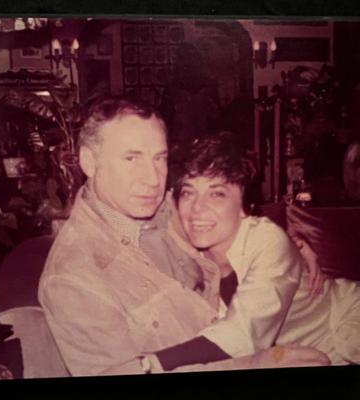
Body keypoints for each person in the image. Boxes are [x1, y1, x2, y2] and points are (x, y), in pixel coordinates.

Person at [38, 96, 330, 376]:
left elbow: (223, 213)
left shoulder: (161, 207)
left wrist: (293, 241)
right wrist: (253, 365)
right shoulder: (73, 279)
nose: (153, 179)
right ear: (89, 162)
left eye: (159, 158)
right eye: (131, 159)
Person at [148, 131, 360, 372]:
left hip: (346, 328)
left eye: (217, 194)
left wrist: (150, 363)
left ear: (244, 206)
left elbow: (240, 335)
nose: (197, 207)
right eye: (188, 192)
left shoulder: (267, 240)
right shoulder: (186, 246)